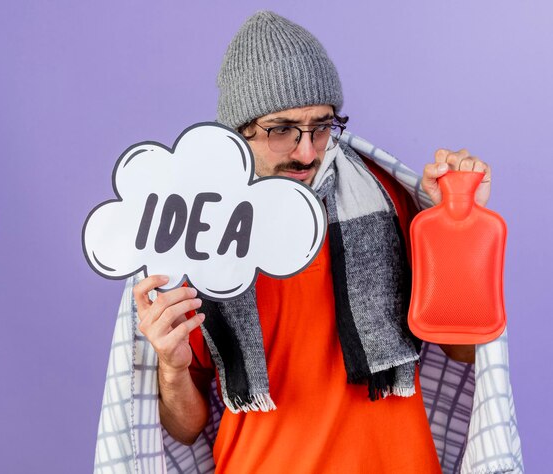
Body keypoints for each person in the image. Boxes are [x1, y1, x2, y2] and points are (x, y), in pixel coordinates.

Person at [132, 11, 490, 473]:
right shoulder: (197, 233)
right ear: (238, 131)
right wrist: (172, 367)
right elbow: (185, 428)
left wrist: (460, 225)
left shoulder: (389, 200)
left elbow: (463, 349)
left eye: (321, 126)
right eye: (281, 130)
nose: (306, 151)